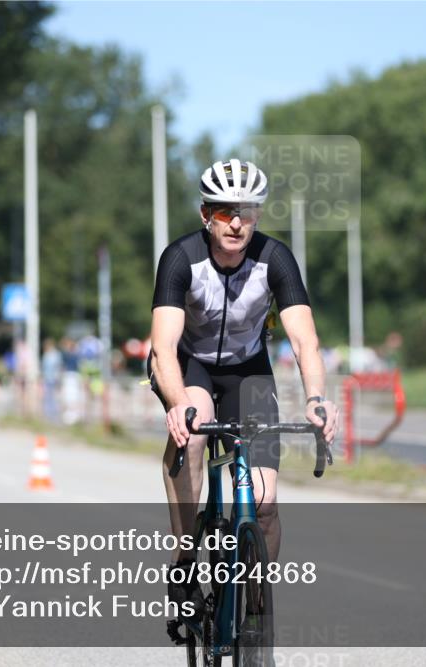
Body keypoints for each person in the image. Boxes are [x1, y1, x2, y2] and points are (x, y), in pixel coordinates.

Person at [148, 159, 338, 585]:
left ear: (258, 215)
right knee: (194, 429)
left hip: (247, 369)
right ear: (206, 214)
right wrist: (178, 404)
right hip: (188, 363)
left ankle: (254, 606)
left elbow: (305, 341)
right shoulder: (181, 258)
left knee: (264, 506)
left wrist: (316, 400)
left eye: (246, 212)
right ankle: (185, 555)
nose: (236, 223)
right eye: (224, 212)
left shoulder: (275, 258)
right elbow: (162, 347)